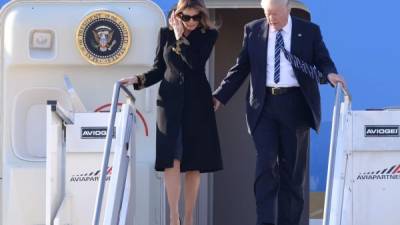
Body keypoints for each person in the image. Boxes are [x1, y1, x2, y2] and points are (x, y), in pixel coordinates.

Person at [213, 0, 346, 225]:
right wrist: (219, 96)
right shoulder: (253, 30)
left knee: (292, 173)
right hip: (264, 105)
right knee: (265, 164)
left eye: (275, 13)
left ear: (288, 8)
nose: (270, 18)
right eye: (267, 13)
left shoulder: (309, 31)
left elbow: (322, 59)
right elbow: (240, 68)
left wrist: (330, 74)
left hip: (295, 105)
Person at [120, 1, 222, 225]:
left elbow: (195, 63)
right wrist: (138, 80)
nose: (192, 22)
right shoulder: (164, 33)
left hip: (197, 104)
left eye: (197, 17)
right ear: (177, 15)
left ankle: (189, 217)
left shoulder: (208, 35)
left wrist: (180, 37)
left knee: (194, 162)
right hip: (169, 103)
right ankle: (173, 216)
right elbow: (159, 68)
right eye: (187, 17)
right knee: (171, 159)